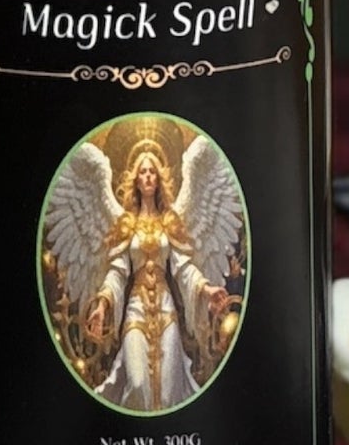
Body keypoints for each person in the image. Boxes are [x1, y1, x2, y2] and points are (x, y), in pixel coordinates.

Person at [81, 140, 234, 411]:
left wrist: (206, 288)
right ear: (137, 180)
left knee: (169, 389)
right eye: (143, 171)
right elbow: (118, 271)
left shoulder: (169, 222)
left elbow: (182, 266)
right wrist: (103, 305)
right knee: (138, 383)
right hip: (136, 310)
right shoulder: (126, 224)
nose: (148, 176)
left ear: (158, 178)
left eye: (152, 171)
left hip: (166, 310)